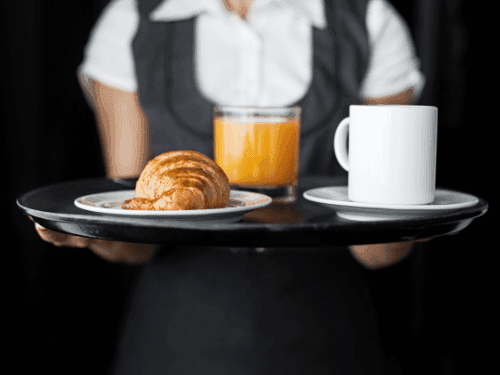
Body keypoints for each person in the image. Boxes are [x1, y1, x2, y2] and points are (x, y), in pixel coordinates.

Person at [34, 0, 454, 373]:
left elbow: (380, 252)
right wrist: (92, 234)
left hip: (327, 335)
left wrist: (399, 209)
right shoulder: (130, 19)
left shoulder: (369, 18)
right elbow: (134, 238)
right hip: (176, 340)